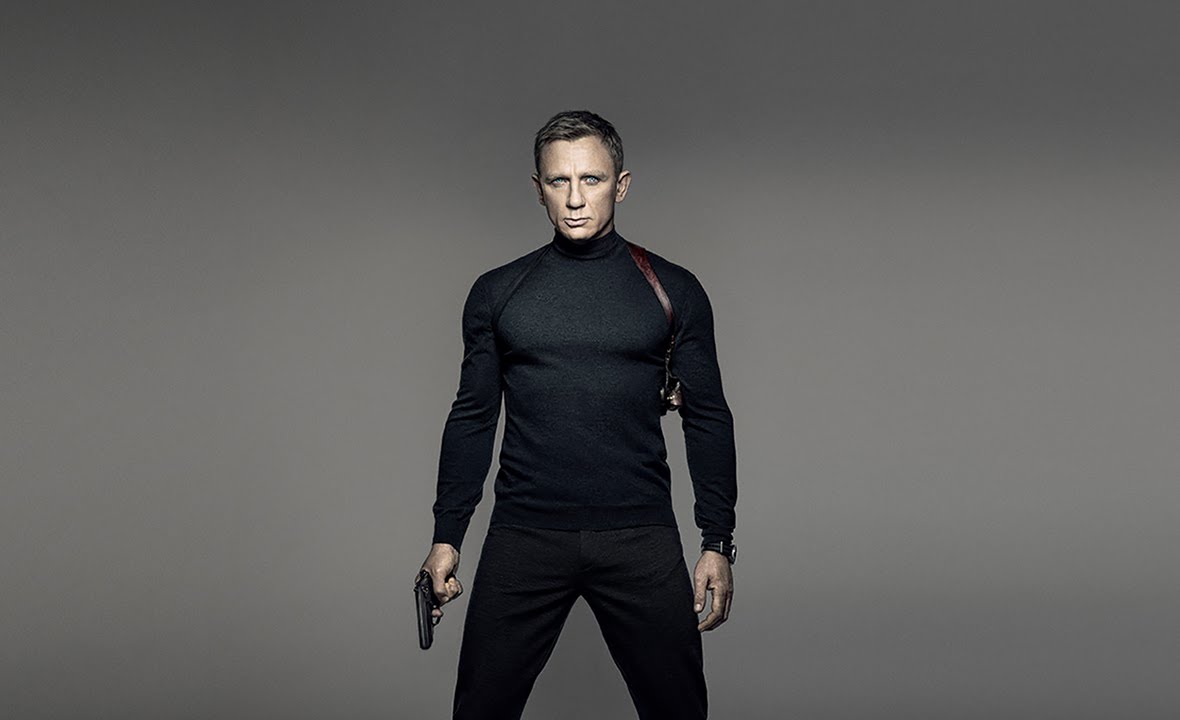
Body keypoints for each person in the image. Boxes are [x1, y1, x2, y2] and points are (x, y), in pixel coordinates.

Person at [417, 109, 738, 720]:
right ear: (537, 188)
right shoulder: (498, 292)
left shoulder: (673, 290)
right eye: (558, 181)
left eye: (591, 179)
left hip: (640, 537)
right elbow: (472, 417)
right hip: (524, 535)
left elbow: (708, 419)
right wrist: (446, 537)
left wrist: (717, 541)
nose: (574, 199)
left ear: (621, 185)